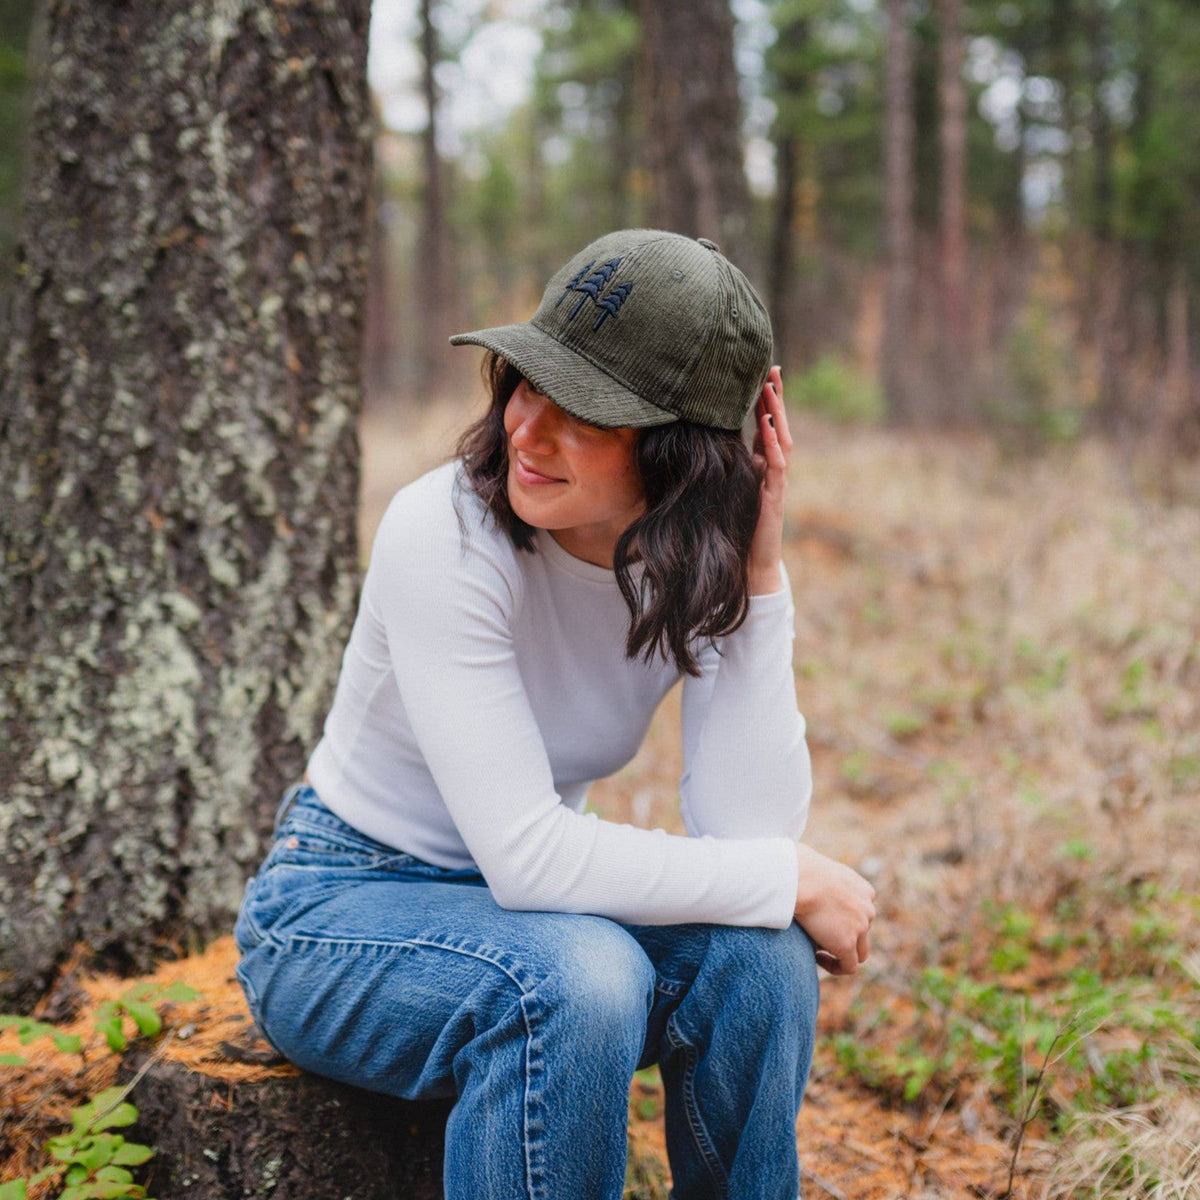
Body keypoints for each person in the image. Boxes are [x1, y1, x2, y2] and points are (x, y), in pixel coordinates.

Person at [234, 229, 876, 1200]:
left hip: (531, 916)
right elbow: (530, 858)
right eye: (529, 381)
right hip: (336, 909)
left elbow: (748, 833)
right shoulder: (443, 534)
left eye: (584, 411)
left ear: (683, 454)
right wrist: (788, 874)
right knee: (577, 979)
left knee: (764, 959)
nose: (527, 429)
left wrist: (758, 570)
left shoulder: (685, 563)